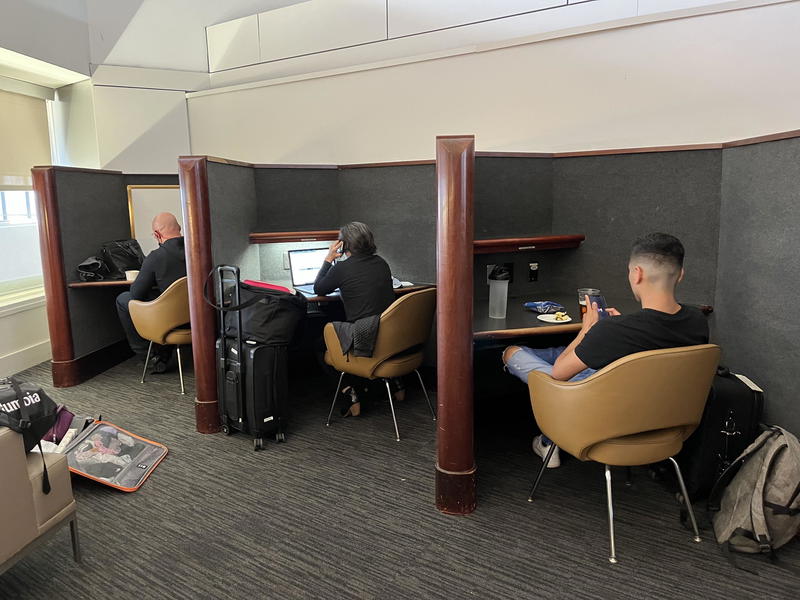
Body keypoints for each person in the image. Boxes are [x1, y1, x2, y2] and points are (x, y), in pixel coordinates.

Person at [503, 233, 709, 468]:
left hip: (601, 425)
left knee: (512, 353)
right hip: (663, 424)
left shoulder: (614, 331)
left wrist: (587, 331)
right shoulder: (697, 322)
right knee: (582, 362)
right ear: (681, 275)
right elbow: (650, 349)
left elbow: (559, 374)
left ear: (637, 273)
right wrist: (612, 334)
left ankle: (550, 440)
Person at [314, 221, 396, 416]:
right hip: (389, 337)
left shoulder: (342, 268)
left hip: (364, 334)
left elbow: (319, 288)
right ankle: (395, 383)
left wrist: (328, 259)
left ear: (344, 245)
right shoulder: (381, 263)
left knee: (319, 344)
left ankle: (349, 392)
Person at [116, 212, 187, 372]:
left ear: (157, 235)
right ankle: (162, 352)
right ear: (180, 228)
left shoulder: (156, 257)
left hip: (169, 320)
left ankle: (149, 356)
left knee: (123, 299)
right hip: (200, 317)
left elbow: (135, 295)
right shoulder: (197, 251)